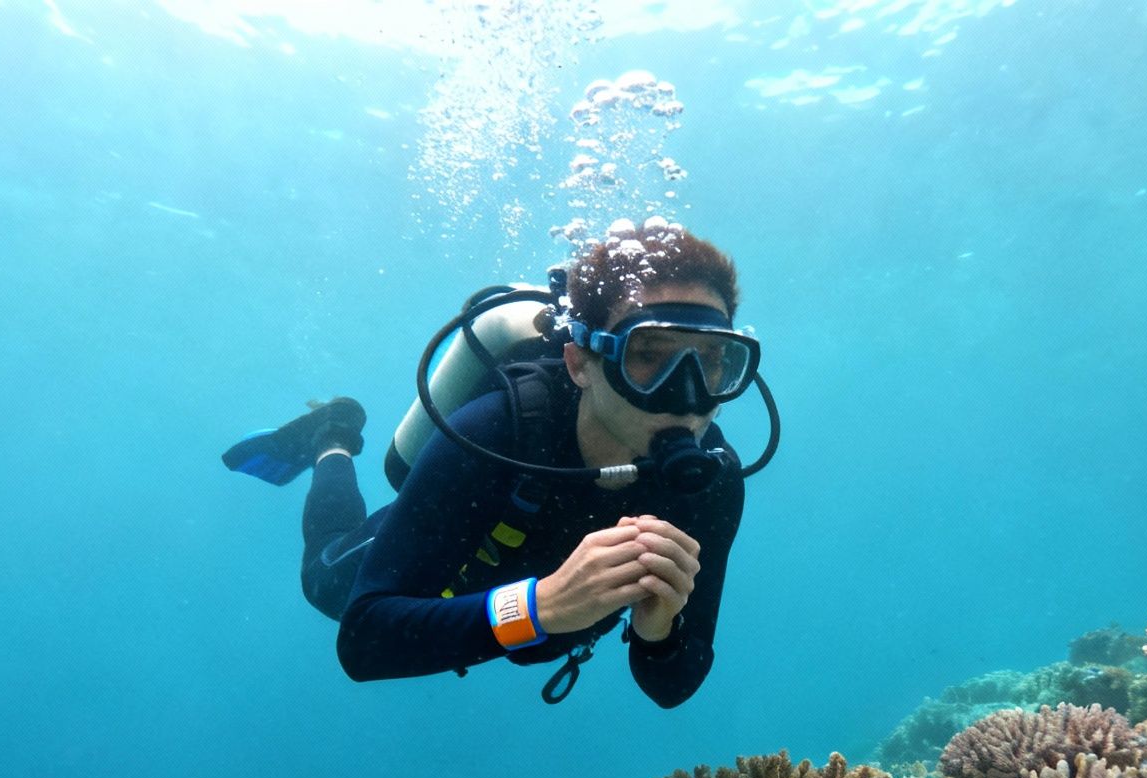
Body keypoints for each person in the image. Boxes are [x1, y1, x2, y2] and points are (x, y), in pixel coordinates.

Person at [225, 223, 760, 707]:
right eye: (648, 355)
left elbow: (672, 686)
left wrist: (659, 630)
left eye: (713, 362)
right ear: (580, 363)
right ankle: (333, 436)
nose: (687, 397)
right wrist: (542, 607)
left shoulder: (709, 483)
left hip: (506, 610)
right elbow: (364, 641)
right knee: (323, 578)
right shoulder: (498, 429)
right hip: (449, 552)